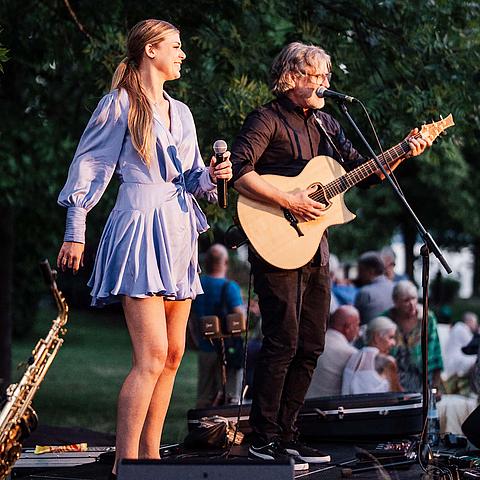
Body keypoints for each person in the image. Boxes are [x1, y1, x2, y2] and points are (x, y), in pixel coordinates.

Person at [230, 41, 430, 470]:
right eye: (317, 75)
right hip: (276, 242)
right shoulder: (266, 119)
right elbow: (241, 172)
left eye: (327, 76)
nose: (325, 82)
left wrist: (403, 151)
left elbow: (366, 171)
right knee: (281, 341)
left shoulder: (326, 122)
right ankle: (263, 438)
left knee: (310, 345)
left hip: (314, 247)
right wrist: (290, 200)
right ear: (292, 77)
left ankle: (288, 435)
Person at [56, 19, 232, 477]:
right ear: (150, 50)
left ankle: (151, 459)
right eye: (176, 46)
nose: (183, 54)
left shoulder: (183, 112)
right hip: (139, 226)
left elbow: (191, 178)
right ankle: (126, 462)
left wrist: (212, 176)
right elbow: (90, 165)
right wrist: (76, 229)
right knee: (151, 355)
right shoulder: (119, 103)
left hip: (178, 231)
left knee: (173, 355)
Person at [190, 244, 244, 407]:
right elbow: (240, 317)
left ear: (206, 263)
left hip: (205, 347)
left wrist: (196, 340)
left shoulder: (197, 285)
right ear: (225, 262)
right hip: (227, 349)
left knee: (205, 394)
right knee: (230, 395)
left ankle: (201, 421)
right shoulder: (230, 287)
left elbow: (191, 318)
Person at [385, 280, 444, 392]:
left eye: (414, 298)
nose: (412, 304)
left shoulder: (427, 318)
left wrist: (435, 387)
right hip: (393, 383)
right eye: (406, 300)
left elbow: (436, 354)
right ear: (395, 301)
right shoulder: (386, 320)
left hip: (423, 382)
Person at [306, 305, 360, 397]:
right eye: (357, 325)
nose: (358, 330)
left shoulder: (312, 341)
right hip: (328, 405)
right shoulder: (351, 354)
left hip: (301, 401)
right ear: (348, 328)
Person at [342, 316, 402, 394]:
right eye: (390, 337)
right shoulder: (386, 361)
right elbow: (398, 395)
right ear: (376, 338)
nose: (394, 343)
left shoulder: (353, 357)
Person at [354, 251, 394, 325]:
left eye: (361, 270)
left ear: (371, 271)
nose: (358, 275)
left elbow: (355, 322)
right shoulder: (394, 287)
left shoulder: (365, 293)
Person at [443, 312, 478, 394]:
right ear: (469, 321)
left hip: (453, 361)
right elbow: (472, 346)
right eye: (475, 322)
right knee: (477, 361)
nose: (476, 325)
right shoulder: (462, 328)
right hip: (454, 362)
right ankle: (474, 389)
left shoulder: (459, 327)